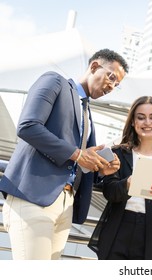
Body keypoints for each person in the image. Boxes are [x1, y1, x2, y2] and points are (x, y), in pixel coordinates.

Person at [0, 49, 129, 260]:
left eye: (117, 84)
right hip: (33, 198)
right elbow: (28, 126)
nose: (112, 86)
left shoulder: (87, 112)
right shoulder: (55, 81)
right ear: (95, 66)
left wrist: (100, 169)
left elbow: (78, 162)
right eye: (111, 77)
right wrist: (77, 154)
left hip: (65, 206)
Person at [88, 96, 152, 260]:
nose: (147, 122)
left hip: (151, 231)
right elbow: (110, 192)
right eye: (140, 117)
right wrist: (128, 184)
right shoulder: (118, 153)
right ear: (132, 121)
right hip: (118, 227)